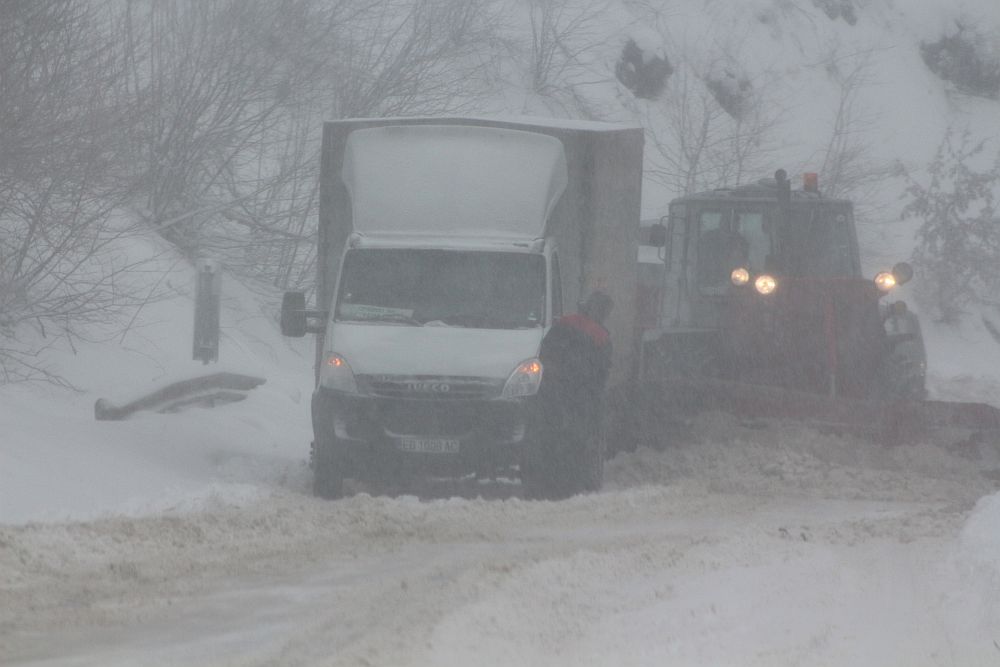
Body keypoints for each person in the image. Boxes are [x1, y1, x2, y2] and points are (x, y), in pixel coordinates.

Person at [525, 291, 613, 497]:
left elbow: (544, 352)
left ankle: (546, 479)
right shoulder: (601, 336)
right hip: (581, 399)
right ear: (602, 311)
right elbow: (602, 372)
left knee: (550, 437)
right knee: (577, 441)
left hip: (553, 393)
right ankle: (570, 483)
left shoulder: (563, 323)